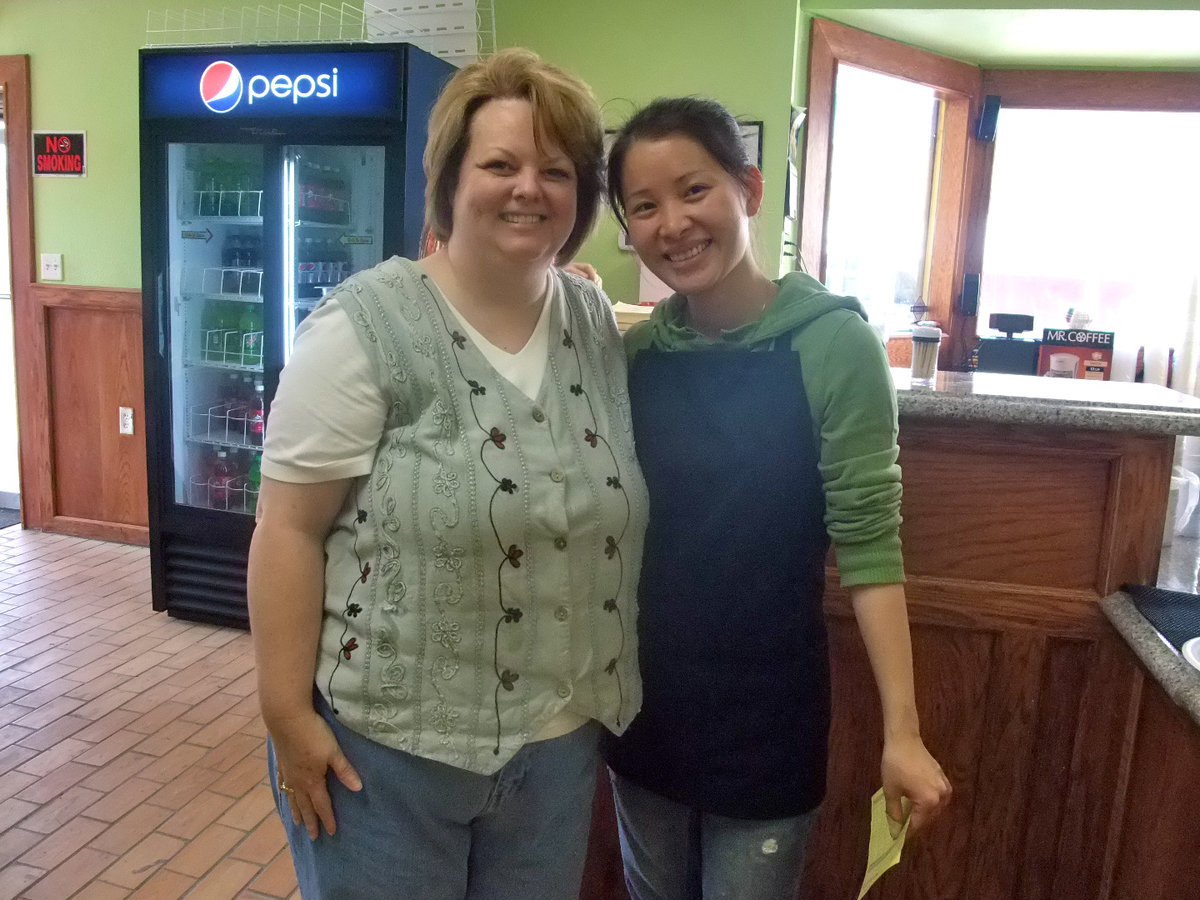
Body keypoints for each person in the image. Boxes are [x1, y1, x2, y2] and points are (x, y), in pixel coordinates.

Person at [247, 48, 647, 900]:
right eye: (499, 163)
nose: (527, 188)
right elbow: (287, 529)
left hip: (559, 753)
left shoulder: (592, 321)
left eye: (555, 169)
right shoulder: (362, 328)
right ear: (449, 180)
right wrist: (286, 716)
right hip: (387, 759)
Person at [599, 96, 952, 900]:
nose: (672, 224)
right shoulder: (636, 353)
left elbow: (869, 545)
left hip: (767, 714)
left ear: (749, 189)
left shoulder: (834, 342)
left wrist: (903, 730)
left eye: (694, 191)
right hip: (641, 708)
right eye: (643, 207)